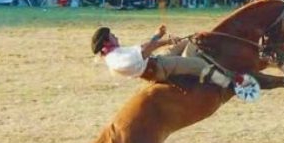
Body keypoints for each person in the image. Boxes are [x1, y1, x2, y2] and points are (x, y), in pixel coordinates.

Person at [91, 25, 237, 88]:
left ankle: (189, 61)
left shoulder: (115, 53)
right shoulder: (115, 58)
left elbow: (143, 48)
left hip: (157, 62)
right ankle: (228, 83)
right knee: (201, 66)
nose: (115, 36)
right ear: (106, 41)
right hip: (160, 68)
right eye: (112, 36)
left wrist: (157, 35)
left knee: (192, 39)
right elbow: (144, 51)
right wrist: (166, 40)